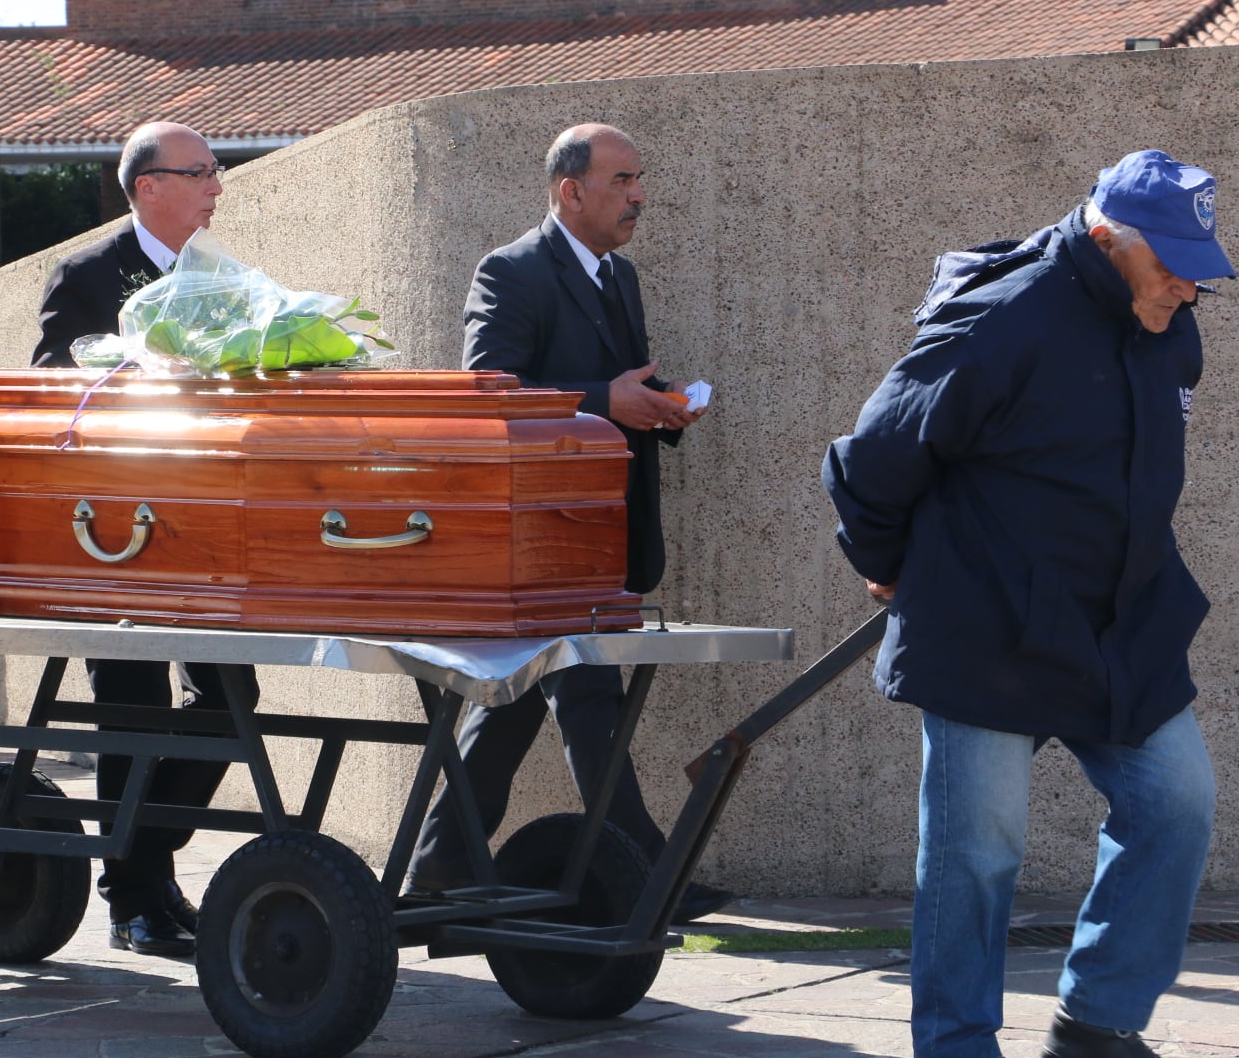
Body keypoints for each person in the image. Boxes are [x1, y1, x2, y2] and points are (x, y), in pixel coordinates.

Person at [823, 149, 1226, 1058]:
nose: (1187, 291)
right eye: (1169, 265)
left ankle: (1096, 1024)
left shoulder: (1168, 324)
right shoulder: (1001, 320)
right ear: (1105, 236)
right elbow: (871, 461)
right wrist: (889, 570)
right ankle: (957, 1044)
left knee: (1177, 805)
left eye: (1198, 270)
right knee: (977, 856)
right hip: (988, 627)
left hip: (1124, 625)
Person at [405, 122, 733, 924]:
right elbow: (488, 393)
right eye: (622, 181)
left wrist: (652, 410)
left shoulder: (620, 277)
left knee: (515, 705)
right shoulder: (511, 272)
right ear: (571, 191)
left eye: (639, 180)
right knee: (589, 694)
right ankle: (647, 873)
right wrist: (601, 401)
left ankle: (440, 864)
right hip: (538, 538)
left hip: (601, 527)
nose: (639, 196)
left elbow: (618, 389)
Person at [31, 120, 246, 957]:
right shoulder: (85, 274)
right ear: (149, 186)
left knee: (230, 703)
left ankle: (147, 864)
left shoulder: (221, 280)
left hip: (205, 527)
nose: (217, 188)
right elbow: (52, 385)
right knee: (134, 708)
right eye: (201, 173)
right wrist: (139, 367)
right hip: (115, 531)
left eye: (216, 172)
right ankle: (133, 897)